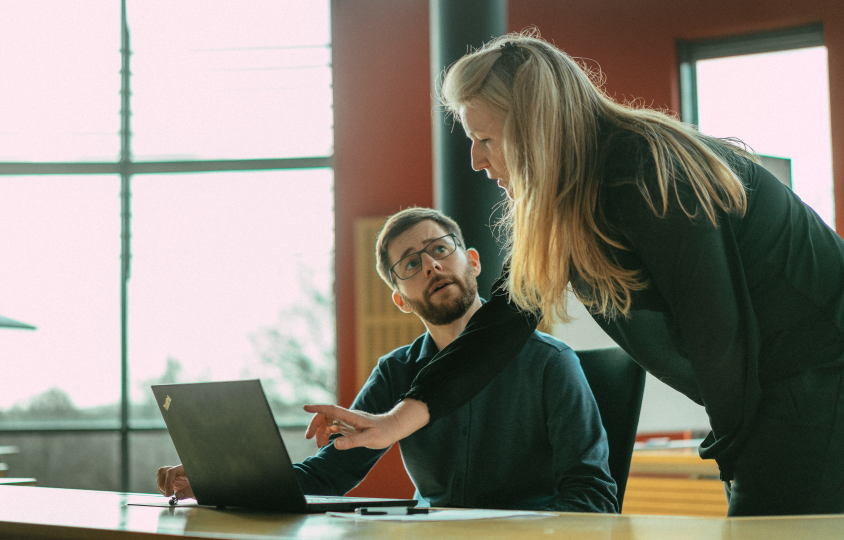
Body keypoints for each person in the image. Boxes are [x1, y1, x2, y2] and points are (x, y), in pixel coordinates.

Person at [305, 31, 844, 517]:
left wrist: (734, 454)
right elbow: (499, 327)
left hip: (819, 377)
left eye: (485, 138)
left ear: (533, 129)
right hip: (784, 393)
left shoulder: (641, 170)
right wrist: (396, 419)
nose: (475, 160)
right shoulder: (571, 199)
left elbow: (717, 334)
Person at [160, 206, 619, 512]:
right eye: (411, 264)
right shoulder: (395, 372)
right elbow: (329, 473)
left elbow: (593, 496)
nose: (432, 265)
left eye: (440, 249)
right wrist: (226, 482)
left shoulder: (550, 362)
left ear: (474, 262)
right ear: (400, 299)